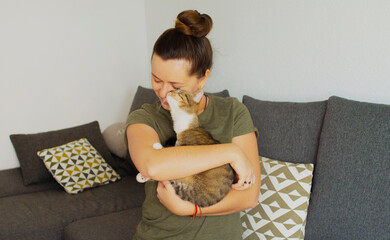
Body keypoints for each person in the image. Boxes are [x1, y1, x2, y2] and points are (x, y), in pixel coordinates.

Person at [126, 10, 260, 240]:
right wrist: (230, 152)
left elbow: (249, 197)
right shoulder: (145, 118)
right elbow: (152, 167)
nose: (164, 92)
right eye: (156, 79)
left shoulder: (233, 112)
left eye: (176, 85)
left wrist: (192, 210)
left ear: (203, 79)